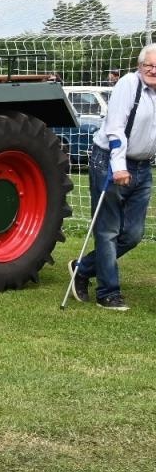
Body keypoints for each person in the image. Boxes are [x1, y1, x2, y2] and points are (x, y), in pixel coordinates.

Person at [72, 46, 156, 311]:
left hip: (143, 167)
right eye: (149, 66)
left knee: (133, 234)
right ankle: (108, 293)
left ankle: (83, 268)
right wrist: (118, 166)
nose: (154, 71)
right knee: (108, 231)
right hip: (110, 161)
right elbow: (115, 128)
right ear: (139, 65)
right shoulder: (128, 86)